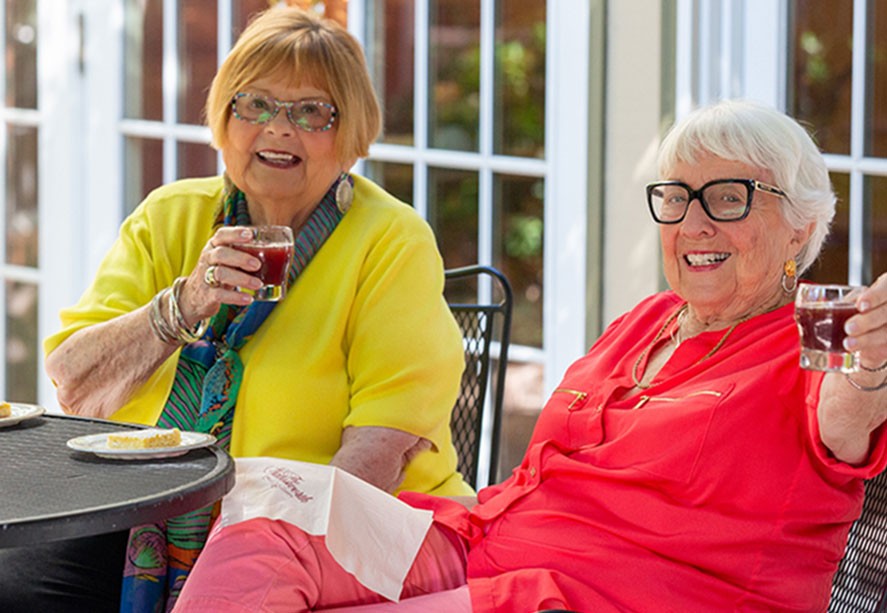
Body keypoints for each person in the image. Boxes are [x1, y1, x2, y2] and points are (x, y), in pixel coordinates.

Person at [173, 98, 887, 613]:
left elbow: (843, 410)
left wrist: (871, 364)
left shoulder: (816, 338)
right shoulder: (649, 319)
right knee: (262, 533)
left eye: (728, 198)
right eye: (676, 197)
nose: (692, 222)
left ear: (799, 229)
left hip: (606, 594)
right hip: (487, 539)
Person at [0, 7, 473, 613]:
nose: (279, 129)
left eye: (312, 112)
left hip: (334, 527)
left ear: (351, 133)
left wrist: (255, 534)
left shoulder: (391, 241)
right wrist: (186, 302)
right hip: (154, 514)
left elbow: (377, 453)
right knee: (13, 584)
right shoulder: (171, 216)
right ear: (224, 119)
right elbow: (77, 386)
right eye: (254, 105)